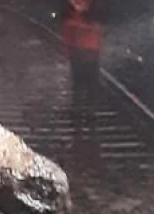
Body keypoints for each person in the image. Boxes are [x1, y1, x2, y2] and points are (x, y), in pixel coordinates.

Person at [61, 0, 104, 148]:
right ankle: (90, 112)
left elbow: (68, 33)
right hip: (92, 52)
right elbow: (99, 32)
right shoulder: (96, 10)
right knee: (91, 85)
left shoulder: (74, 13)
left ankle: (79, 111)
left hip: (79, 52)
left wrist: (68, 52)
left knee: (79, 84)